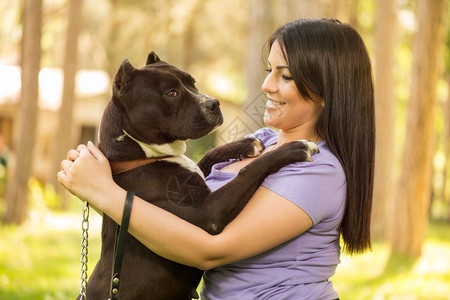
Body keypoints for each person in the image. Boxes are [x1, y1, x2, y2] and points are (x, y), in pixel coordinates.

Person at [58, 18, 375, 299]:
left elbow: (209, 250)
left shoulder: (317, 169)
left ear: (326, 89)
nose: (266, 85)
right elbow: (180, 202)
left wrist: (105, 192)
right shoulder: (262, 142)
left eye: (285, 76)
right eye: (269, 70)